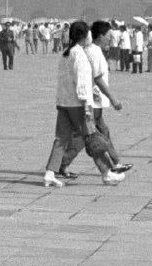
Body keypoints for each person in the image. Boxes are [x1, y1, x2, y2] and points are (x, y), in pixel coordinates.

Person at [43, 21, 124, 188]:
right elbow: (82, 83)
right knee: (92, 138)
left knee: (61, 139)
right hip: (77, 105)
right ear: (84, 36)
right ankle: (106, 173)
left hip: (64, 103)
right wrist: (87, 104)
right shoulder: (79, 55)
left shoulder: (66, 53)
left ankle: (50, 173)